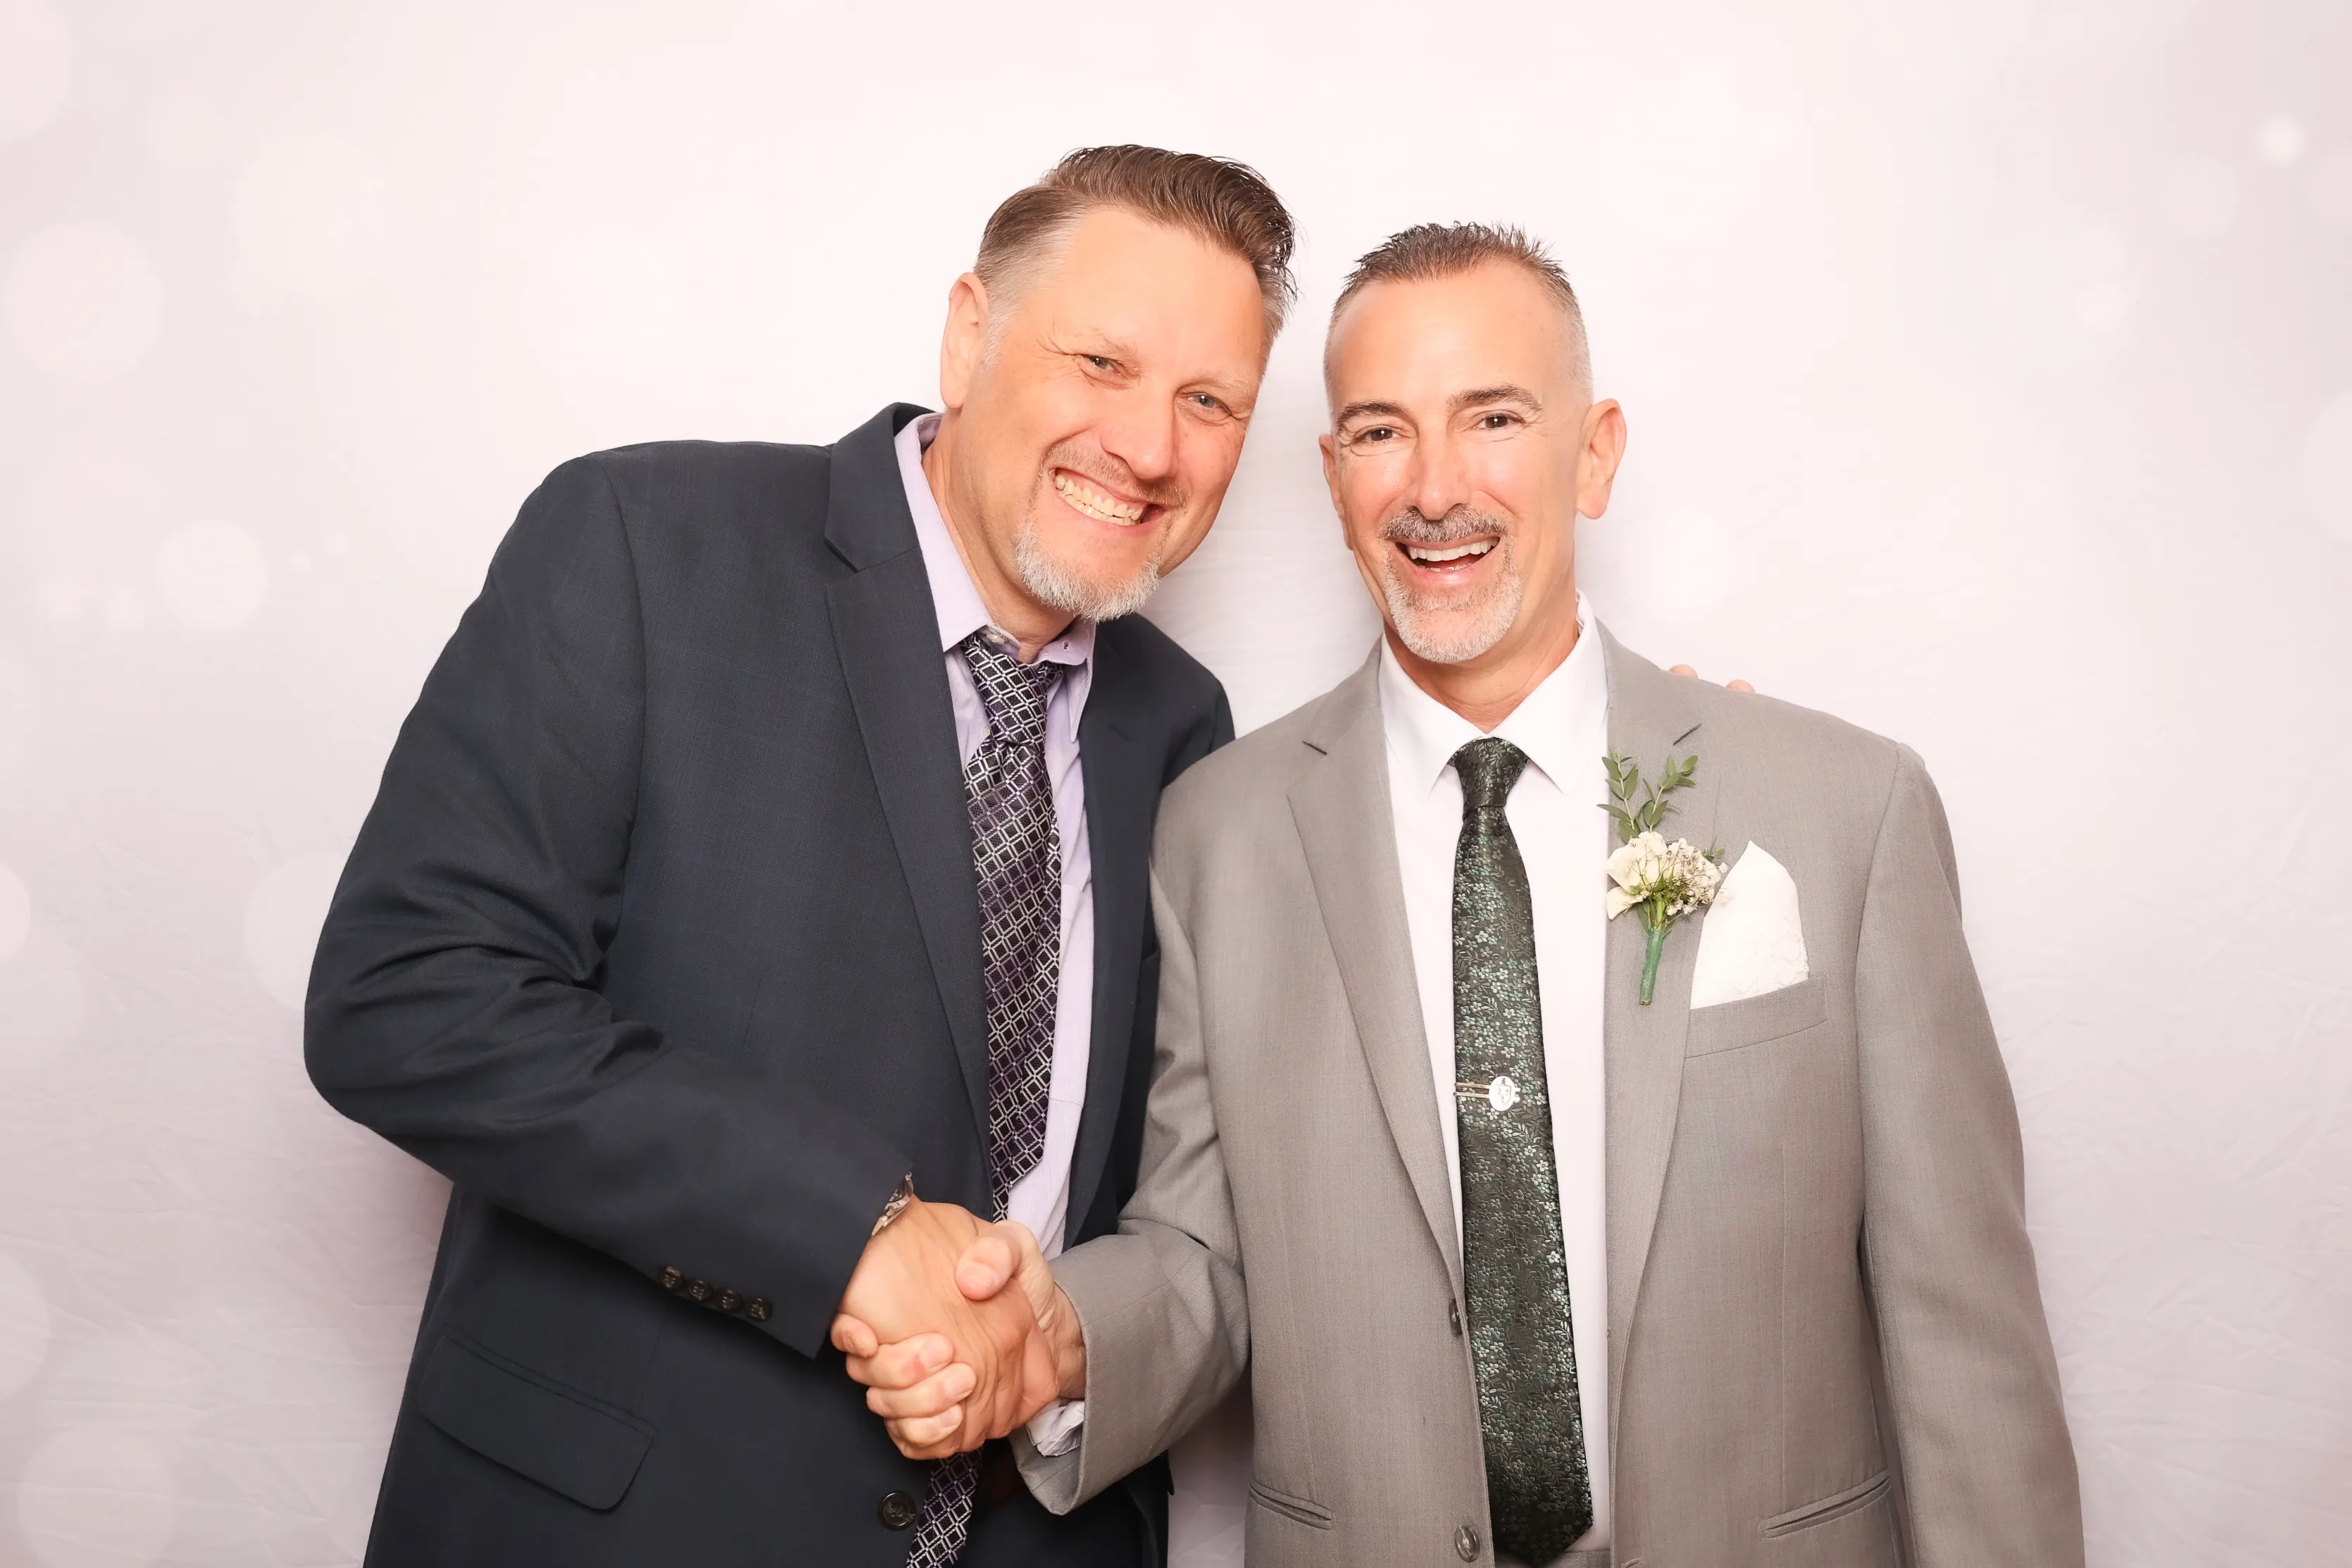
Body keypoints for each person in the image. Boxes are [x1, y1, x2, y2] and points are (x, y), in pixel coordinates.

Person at [851, 224, 2085, 1567]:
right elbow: (1201, 1252)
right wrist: (1053, 1335)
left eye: (1493, 417)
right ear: (1332, 479)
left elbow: (1964, 1333)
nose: (1435, 488)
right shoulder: (1220, 828)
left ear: (1595, 450)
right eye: (1380, 433)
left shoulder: (1847, 807)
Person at [304, 145, 1296, 1567]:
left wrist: (1063, 1344)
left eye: (1209, 403)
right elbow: (409, 997)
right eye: (1101, 362)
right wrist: (850, 1226)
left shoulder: (1182, 724)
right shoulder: (644, 545)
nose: (1149, 448)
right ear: (968, 333)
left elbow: (1182, 1194)